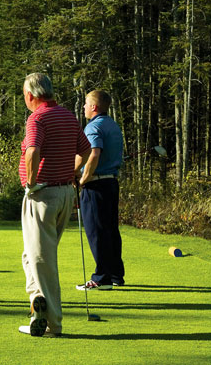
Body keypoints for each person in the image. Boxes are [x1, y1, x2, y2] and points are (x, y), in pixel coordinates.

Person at [17, 73, 91, 337]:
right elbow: (86, 149)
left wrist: (31, 182)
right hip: (63, 194)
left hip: (43, 194)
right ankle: (38, 303)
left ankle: (53, 323)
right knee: (32, 256)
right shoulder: (67, 115)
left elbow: (33, 151)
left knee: (41, 259)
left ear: (31, 95)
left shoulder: (37, 118)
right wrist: (71, 171)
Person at [76, 89, 125, 290]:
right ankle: (115, 274)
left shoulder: (93, 127)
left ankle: (101, 278)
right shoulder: (113, 125)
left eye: (86, 104)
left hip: (96, 184)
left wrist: (83, 178)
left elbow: (94, 153)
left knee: (97, 231)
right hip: (111, 183)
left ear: (94, 107)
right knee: (110, 229)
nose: (84, 107)